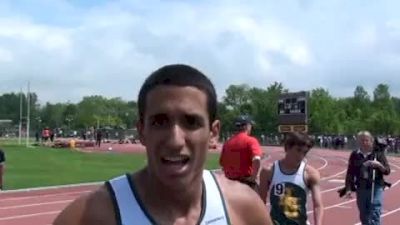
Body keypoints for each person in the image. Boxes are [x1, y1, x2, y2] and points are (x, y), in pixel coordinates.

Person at [53, 64, 272, 225]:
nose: (175, 140)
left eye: (191, 122)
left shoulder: (245, 209)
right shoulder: (91, 216)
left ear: (213, 133)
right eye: (159, 122)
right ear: (142, 132)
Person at [258, 132, 323, 225]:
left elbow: (317, 205)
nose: (301, 156)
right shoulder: (268, 171)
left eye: (304, 152)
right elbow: (261, 202)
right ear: (287, 147)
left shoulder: (310, 174)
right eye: (298, 150)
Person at [338, 131, 391, 225]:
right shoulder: (355, 155)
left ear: (371, 141)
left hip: (376, 186)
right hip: (361, 187)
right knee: (363, 213)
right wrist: (348, 189)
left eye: (367, 140)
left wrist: (379, 165)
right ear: (358, 141)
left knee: (375, 210)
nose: (364, 142)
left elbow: (387, 171)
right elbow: (350, 173)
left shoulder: (377, 154)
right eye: (362, 140)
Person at [219, 115, 263, 191]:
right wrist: (253, 177)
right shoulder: (251, 141)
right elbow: (257, 159)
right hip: (245, 183)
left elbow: (222, 163)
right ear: (247, 126)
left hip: (229, 184)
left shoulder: (227, 143)